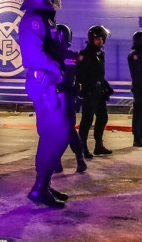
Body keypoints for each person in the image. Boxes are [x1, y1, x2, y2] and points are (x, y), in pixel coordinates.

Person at [17, 0, 69, 208]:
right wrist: (58, 68)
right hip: (44, 85)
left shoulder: (44, 19)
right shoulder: (34, 20)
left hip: (50, 83)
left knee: (55, 134)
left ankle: (43, 184)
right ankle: (39, 187)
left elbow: (52, 48)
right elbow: (35, 55)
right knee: (56, 134)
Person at [53, 24, 87, 173]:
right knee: (69, 130)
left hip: (56, 98)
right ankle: (78, 159)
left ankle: (58, 161)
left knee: (57, 130)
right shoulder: (72, 56)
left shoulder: (51, 55)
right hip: (68, 98)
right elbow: (77, 76)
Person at [78, 25, 113, 156]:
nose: (100, 41)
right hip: (89, 93)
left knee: (103, 118)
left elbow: (99, 74)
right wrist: (85, 90)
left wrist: (104, 85)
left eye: (102, 39)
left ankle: (99, 145)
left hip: (99, 93)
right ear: (92, 39)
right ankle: (83, 147)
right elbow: (80, 74)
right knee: (87, 120)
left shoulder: (100, 54)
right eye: (97, 39)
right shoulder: (84, 55)